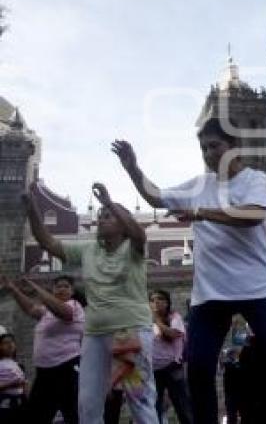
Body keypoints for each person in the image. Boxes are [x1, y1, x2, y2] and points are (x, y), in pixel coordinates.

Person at [113, 118, 266, 423]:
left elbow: (253, 215)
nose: (209, 153)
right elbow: (155, 196)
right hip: (210, 294)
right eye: (204, 147)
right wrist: (133, 169)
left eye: (215, 146)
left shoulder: (254, 180)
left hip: (256, 288)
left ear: (234, 148)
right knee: (198, 367)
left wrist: (201, 213)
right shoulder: (199, 185)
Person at [25, 181, 158, 423]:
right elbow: (47, 242)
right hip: (94, 335)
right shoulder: (88, 249)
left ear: (123, 224)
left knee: (139, 398)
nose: (101, 219)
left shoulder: (133, 248)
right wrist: (32, 208)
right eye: (100, 215)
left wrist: (108, 202)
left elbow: (139, 233)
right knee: (87, 402)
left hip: (129, 332)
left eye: (109, 216)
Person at [0, 274, 84, 424]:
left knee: (73, 414)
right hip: (45, 372)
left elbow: (64, 312)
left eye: (66, 286)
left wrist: (35, 287)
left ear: (72, 291)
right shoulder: (47, 312)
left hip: (66, 368)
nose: (62, 289)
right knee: (36, 415)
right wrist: (13, 289)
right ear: (52, 290)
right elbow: (31, 308)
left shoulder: (74, 306)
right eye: (58, 286)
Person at [150, 290, 192, 424]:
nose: (156, 302)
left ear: (167, 303)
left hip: (172, 368)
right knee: (154, 408)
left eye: (160, 299)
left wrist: (156, 320)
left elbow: (173, 334)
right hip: (154, 370)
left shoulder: (174, 317)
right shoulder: (146, 321)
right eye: (152, 300)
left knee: (182, 406)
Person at [0, 333, 26, 423]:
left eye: (11, 342)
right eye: (5, 343)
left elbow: (23, 386)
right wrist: (11, 385)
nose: (10, 345)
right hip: (4, 404)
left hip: (19, 402)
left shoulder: (18, 365)